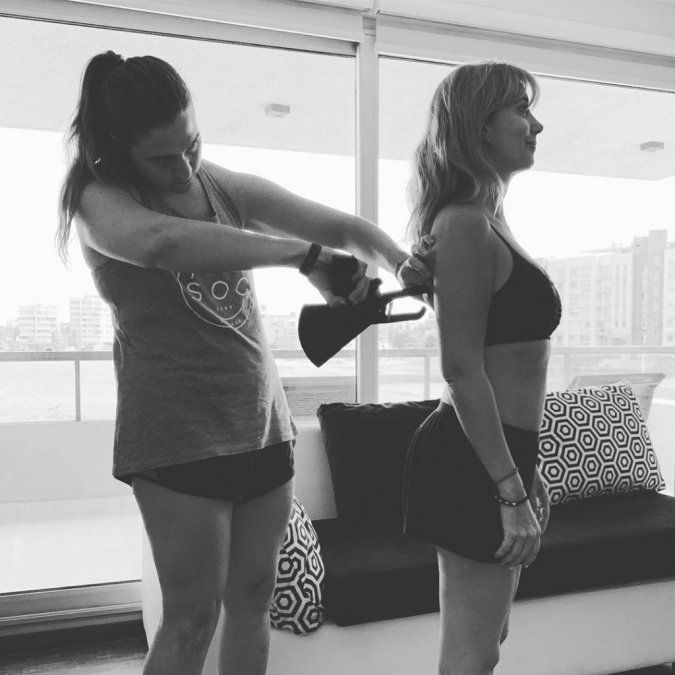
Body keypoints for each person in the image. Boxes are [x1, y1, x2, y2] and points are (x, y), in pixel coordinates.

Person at [56, 51, 431, 675]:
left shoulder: (217, 185)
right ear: (116, 151)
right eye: (162, 158)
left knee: (253, 600)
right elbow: (160, 244)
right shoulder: (98, 201)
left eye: (191, 145)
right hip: (176, 437)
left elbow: (337, 225)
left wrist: (400, 262)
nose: (183, 168)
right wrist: (304, 259)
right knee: (191, 617)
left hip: (262, 426)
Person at [402, 61, 561, 674]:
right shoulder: (465, 222)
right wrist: (509, 488)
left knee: (487, 642)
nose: (536, 125)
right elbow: (462, 371)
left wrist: (525, 465)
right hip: (470, 458)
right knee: (472, 655)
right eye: (521, 109)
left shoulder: (488, 216)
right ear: (479, 125)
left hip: (498, 450)